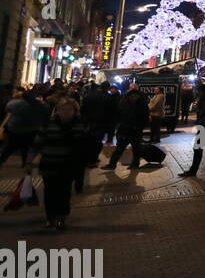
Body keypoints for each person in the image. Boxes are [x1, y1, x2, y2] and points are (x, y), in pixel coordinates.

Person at [30, 97, 90, 232]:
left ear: (75, 111)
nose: (66, 112)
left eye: (69, 110)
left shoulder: (80, 125)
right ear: (57, 111)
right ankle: (50, 217)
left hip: (68, 165)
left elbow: (84, 145)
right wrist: (29, 162)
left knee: (64, 192)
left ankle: (61, 217)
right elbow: (37, 143)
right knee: (49, 192)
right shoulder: (48, 124)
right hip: (49, 164)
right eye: (63, 109)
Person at [102, 88, 149, 170]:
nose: (133, 97)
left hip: (136, 131)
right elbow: (120, 116)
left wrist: (139, 127)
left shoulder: (142, 105)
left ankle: (135, 164)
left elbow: (145, 118)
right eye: (132, 95)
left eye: (135, 96)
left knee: (136, 150)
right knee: (119, 149)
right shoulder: (124, 104)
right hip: (126, 131)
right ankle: (112, 164)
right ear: (129, 96)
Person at [0, 88, 45, 168]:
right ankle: (25, 162)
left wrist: (3, 126)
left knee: (9, 146)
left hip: (15, 127)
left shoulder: (14, 104)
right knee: (25, 147)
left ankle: (2, 160)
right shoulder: (39, 104)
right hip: (32, 128)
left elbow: (8, 111)